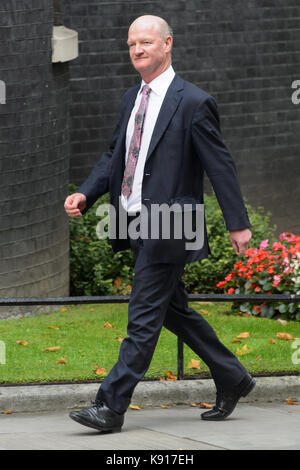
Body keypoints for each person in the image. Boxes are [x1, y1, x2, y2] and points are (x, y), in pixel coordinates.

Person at [64, 15, 256, 433]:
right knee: (174, 312)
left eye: (146, 42)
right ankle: (233, 376)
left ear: (167, 44)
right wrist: (87, 192)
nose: (138, 50)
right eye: (132, 44)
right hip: (133, 221)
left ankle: (110, 407)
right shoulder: (131, 98)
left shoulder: (193, 101)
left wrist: (237, 223)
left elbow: (219, 166)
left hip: (171, 225)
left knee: (144, 314)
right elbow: (115, 153)